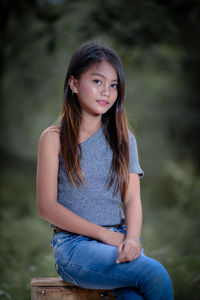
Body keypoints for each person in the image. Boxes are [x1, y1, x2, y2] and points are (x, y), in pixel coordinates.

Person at [36, 42, 174, 299]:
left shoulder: (124, 140)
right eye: (98, 81)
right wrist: (104, 235)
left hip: (119, 239)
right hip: (73, 246)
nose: (106, 92)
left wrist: (131, 239)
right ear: (74, 84)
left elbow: (132, 198)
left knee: (133, 296)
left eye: (113, 85)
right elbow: (46, 206)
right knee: (154, 274)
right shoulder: (53, 138)